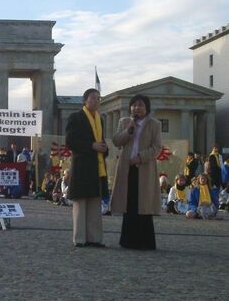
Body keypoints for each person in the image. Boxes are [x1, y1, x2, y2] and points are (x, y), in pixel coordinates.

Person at [111, 94, 161, 250]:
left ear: (146, 108)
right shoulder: (124, 122)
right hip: (127, 168)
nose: (137, 108)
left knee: (143, 204)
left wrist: (140, 157)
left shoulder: (155, 124)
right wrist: (129, 130)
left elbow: (156, 148)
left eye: (140, 105)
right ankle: (128, 240)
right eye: (134, 105)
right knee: (129, 203)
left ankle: (144, 241)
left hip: (144, 168)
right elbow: (117, 141)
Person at [66, 88, 108, 248]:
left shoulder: (100, 118)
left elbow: (101, 140)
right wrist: (92, 146)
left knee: (95, 204)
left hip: (97, 167)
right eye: (94, 98)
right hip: (82, 167)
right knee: (81, 204)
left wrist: (104, 148)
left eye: (99, 98)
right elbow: (70, 141)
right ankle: (80, 239)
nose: (97, 101)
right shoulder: (75, 117)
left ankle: (95, 238)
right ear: (85, 100)